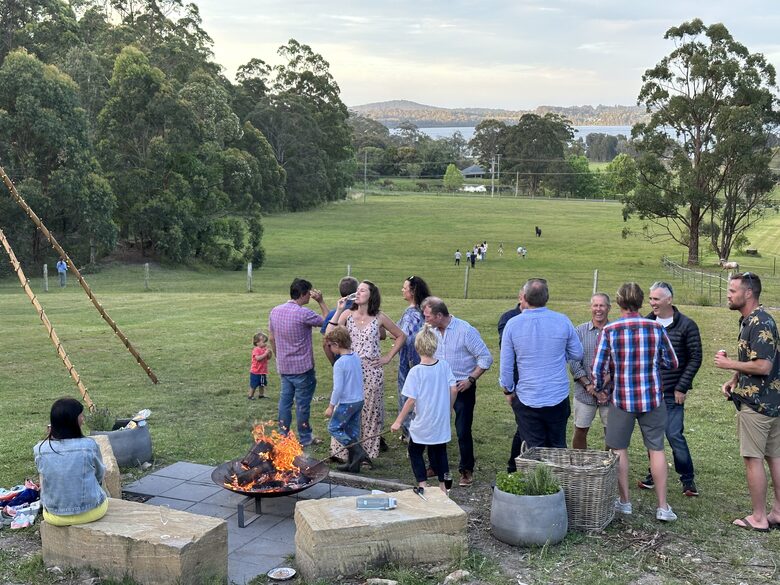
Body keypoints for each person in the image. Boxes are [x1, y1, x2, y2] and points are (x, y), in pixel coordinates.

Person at [592, 283, 679, 522]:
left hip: (622, 398)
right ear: (641, 302)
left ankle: (625, 502)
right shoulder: (655, 328)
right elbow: (672, 362)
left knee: (619, 449)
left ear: (618, 303)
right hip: (652, 397)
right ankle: (662, 506)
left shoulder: (610, 330)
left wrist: (601, 389)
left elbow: (598, 369)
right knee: (656, 448)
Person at [715, 272, 780, 531]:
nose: (728, 295)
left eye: (732, 291)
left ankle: (758, 518)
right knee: (774, 457)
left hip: (757, 404)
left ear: (748, 293)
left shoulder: (760, 322)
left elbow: (763, 366)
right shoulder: (750, 320)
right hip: (771, 401)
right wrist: (735, 377)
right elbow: (758, 356)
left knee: (753, 458)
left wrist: (728, 363)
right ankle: (777, 512)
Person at [499, 279, 583, 457]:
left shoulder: (513, 324)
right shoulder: (562, 321)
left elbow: (506, 366)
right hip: (557, 395)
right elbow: (577, 353)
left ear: (525, 298)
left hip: (528, 396)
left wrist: (508, 390)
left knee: (533, 450)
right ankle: (559, 482)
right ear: (547, 298)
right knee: (557, 445)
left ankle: (539, 483)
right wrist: (560, 355)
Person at [327, 281, 406, 460]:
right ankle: (343, 452)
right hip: (351, 369)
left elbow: (401, 335)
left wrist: (388, 357)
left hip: (372, 371)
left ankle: (367, 453)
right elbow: (330, 334)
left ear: (371, 295)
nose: (358, 292)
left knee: (370, 412)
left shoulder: (379, 317)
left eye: (362, 290)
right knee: (346, 409)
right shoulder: (347, 314)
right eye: (357, 290)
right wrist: (339, 310)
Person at [639, 282, 702, 496]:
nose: (652, 303)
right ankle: (653, 474)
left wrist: (681, 387)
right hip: (650, 392)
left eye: (656, 299)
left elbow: (695, 358)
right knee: (652, 437)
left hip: (672, 392)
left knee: (674, 435)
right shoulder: (646, 323)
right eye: (650, 299)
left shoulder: (686, 325)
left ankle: (687, 479)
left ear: (669, 300)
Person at [422, 296, 493, 487]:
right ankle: (435, 465)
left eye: (428, 315)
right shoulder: (430, 330)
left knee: (462, 430)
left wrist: (471, 379)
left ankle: (466, 470)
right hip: (438, 386)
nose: (425, 319)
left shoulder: (465, 330)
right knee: (434, 425)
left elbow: (485, 358)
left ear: (439, 315)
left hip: (462, 387)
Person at [391, 326, 458, 493]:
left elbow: (411, 400)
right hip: (440, 419)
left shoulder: (416, 372)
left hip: (424, 421)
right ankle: (443, 487)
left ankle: (422, 484)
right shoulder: (444, 366)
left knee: (415, 451)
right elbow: (454, 389)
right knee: (440, 451)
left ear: (417, 347)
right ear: (435, 346)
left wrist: (398, 421)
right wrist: (449, 407)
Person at [268, 278, 329, 447]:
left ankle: (283, 435)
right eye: (309, 293)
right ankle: (305, 437)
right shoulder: (304, 313)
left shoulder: (275, 311)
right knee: (302, 404)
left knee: (285, 402)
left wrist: (278, 356)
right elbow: (330, 322)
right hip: (302, 369)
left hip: (284, 366)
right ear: (303, 294)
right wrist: (321, 302)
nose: (310, 296)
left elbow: (272, 337)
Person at [34, 398, 107, 526]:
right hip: (92, 512)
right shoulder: (89, 445)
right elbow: (100, 474)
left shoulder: (40, 449)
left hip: (54, 515)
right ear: (74, 420)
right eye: (81, 416)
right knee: (100, 488)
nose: (83, 419)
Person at [568, 293, 612, 450]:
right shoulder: (579, 331)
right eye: (595, 305)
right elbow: (573, 361)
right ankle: (580, 467)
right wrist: (589, 386)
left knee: (612, 434)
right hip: (584, 392)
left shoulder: (615, 331)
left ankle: (607, 467)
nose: (598, 309)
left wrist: (609, 379)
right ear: (590, 307)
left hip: (611, 393)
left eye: (602, 305)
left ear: (609, 308)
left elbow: (622, 361)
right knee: (580, 430)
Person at [323, 326, 369, 472]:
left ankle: (358, 452)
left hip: (347, 402)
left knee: (334, 427)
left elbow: (338, 388)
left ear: (336, 344)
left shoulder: (340, 363)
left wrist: (331, 406)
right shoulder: (355, 356)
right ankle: (353, 465)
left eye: (330, 346)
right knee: (352, 431)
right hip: (359, 400)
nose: (330, 349)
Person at [396, 275, 432, 441]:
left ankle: (411, 433)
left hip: (409, 362)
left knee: (408, 397)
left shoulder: (411, 313)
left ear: (413, 292)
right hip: (425, 360)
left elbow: (405, 336)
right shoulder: (424, 311)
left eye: (405, 287)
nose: (402, 290)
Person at [497, 296, 522, 472]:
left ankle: (517, 466)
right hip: (518, 383)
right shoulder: (509, 319)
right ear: (522, 297)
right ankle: (513, 467)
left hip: (534, 384)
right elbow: (507, 355)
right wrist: (508, 389)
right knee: (523, 426)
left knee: (523, 427)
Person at [321, 276, 359, 364]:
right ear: (357, 291)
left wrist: (333, 362)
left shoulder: (333, 314)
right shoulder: (363, 311)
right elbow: (382, 335)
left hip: (341, 360)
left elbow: (326, 343)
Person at [248, 332, 272, 399]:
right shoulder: (256, 350)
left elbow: (268, 358)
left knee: (262, 384)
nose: (265, 343)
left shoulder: (264, 349)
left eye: (265, 342)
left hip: (262, 371)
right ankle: (250, 395)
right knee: (254, 384)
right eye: (263, 342)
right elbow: (258, 358)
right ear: (257, 342)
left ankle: (261, 395)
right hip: (256, 371)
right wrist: (265, 353)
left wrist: (269, 353)